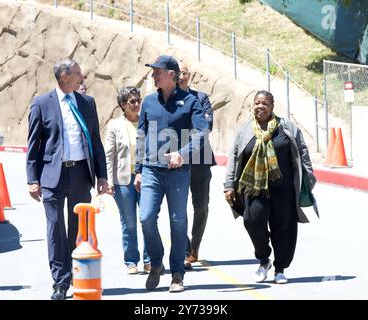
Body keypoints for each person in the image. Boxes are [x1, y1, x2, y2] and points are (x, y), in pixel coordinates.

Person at [26, 58, 109, 300]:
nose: (81, 77)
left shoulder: (87, 102)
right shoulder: (42, 104)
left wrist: (101, 175)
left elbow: (95, 141)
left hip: (80, 173)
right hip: (52, 175)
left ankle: (77, 275)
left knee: (78, 227)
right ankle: (60, 282)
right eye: (77, 73)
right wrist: (32, 179)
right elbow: (33, 145)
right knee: (56, 229)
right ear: (64, 77)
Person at [224, 90, 318, 284]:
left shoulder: (287, 128)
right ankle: (264, 258)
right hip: (254, 188)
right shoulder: (245, 131)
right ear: (253, 106)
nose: (260, 106)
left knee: (284, 228)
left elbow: (302, 152)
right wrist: (228, 185)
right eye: (257, 103)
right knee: (252, 220)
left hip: (284, 189)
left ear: (272, 107)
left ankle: (280, 269)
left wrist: (308, 178)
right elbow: (234, 158)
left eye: (265, 103)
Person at [134, 55, 209, 293]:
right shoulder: (148, 102)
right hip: (151, 171)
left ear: (171, 74)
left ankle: (177, 273)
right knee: (146, 217)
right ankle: (156, 263)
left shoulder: (190, 101)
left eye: (157, 71)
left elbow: (201, 132)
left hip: (178, 172)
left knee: (178, 223)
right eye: (153, 71)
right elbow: (142, 136)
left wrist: (183, 153)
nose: (153, 75)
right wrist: (138, 170)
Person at [104, 86, 151, 275]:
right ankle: (131, 261)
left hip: (146, 177)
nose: (137, 104)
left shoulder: (147, 122)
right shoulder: (114, 126)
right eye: (132, 101)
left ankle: (150, 260)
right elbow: (109, 155)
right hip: (123, 180)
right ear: (123, 105)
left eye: (138, 100)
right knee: (129, 222)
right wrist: (107, 180)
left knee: (147, 219)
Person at [177, 62, 216, 270]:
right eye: (178, 73)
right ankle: (184, 251)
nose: (181, 77)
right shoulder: (169, 100)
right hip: (178, 162)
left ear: (189, 75)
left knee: (201, 206)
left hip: (201, 161)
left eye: (184, 73)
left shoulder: (201, 98)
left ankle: (195, 247)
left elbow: (206, 126)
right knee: (178, 207)